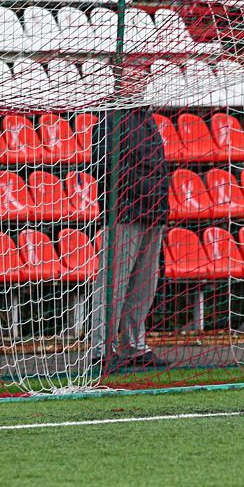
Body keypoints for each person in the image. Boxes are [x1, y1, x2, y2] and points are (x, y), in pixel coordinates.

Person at [89, 107, 171, 372]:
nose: (142, 85)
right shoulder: (110, 117)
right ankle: (102, 350)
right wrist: (141, 190)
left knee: (144, 286)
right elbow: (103, 166)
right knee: (113, 283)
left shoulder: (146, 117)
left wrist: (159, 201)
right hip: (124, 212)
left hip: (153, 211)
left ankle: (134, 347)